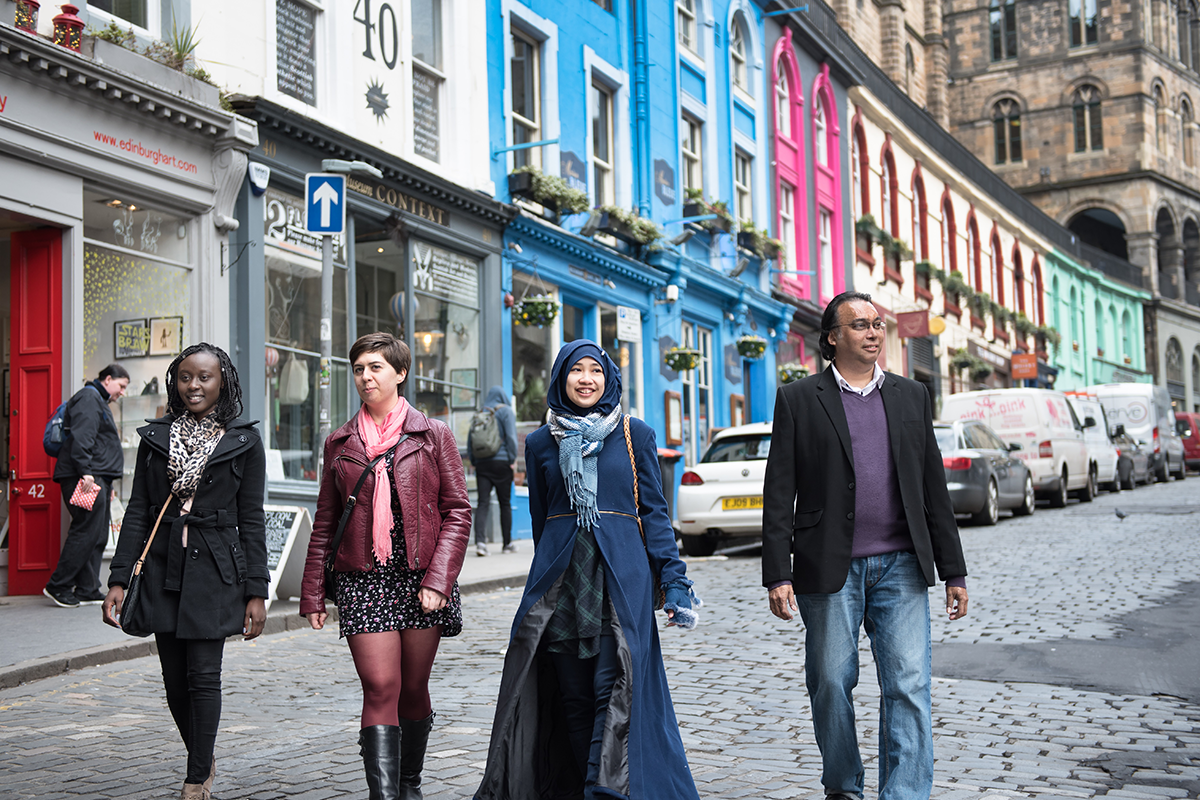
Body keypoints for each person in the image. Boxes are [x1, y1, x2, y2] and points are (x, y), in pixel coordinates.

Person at [761, 292, 969, 800]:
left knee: (909, 686)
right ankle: (843, 786)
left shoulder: (910, 396)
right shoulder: (798, 399)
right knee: (831, 683)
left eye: (878, 324)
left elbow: (932, 489)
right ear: (833, 337)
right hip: (828, 566)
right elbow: (778, 489)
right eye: (860, 325)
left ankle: (905, 793)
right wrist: (777, 573)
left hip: (901, 565)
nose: (874, 332)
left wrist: (955, 572)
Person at [475, 339, 700, 800]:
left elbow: (655, 514)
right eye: (575, 370)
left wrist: (673, 581)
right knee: (573, 695)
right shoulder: (540, 442)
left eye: (594, 371)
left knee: (612, 685)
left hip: (620, 576)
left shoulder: (635, 435)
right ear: (560, 379)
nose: (586, 379)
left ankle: (607, 790)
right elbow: (542, 520)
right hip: (562, 583)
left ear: (608, 378)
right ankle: (583, 785)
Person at [300, 332, 470, 800]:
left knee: (412, 688)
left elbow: (457, 511)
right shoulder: (339, 442)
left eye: (376, 367)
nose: (365, 377)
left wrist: (439, 579)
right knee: (380, 685)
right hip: (363, 578)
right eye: (358, 369)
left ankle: (408, 783)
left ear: (400, 373)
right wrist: (313, 590)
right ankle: (385, 794)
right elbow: (326, 521)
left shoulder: (432, 435)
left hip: (420, 579)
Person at [102, 344, 268, 800]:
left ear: (223, 382)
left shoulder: (244, 441)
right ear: (176, 381)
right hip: (161, 567)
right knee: (174, 680)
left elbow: (251, 518)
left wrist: (258, 590)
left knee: (203, 675)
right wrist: (118, 579)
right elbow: (138, 511)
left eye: (205, 378)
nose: (194, 386)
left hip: (216, 568)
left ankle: (196, 777)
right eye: (186, 377)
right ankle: (203, 752)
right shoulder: (156, 438)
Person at [44, 364, 131, 608]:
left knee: (98, 532)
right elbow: (84, 437)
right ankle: (58, 586)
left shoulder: (98, 400)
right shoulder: (89, 397)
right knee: (86, 530)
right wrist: (86, 473)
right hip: (83, 477)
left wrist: (106, 481)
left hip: (96, 477)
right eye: (121, 386)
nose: (122, 392)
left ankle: (87, 587)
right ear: (108, 379)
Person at [468, 385, 518, 556]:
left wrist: (475, 462)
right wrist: (512, 459)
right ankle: (507, 544)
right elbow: (511, 437)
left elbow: (470, 441)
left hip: (482, 464)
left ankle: (481, 543)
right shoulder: (506, 412)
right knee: (505, 504)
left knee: (483, 503)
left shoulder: (480, 413)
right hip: (502, 463)